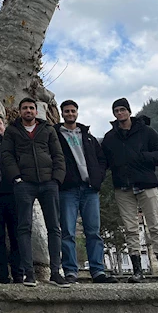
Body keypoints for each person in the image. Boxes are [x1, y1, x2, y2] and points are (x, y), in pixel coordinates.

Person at [103, 98, 158, 284]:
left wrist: (144, 157)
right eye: (116, 110)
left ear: (129, 111)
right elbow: (104, 161)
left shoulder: (146, 132)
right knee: (130, 229)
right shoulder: (110, 137)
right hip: (123, 187)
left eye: (122, 110)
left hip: (146, 184)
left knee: (155, 227)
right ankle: (137, 271)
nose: (119, 113)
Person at [1, 97, 69, 288]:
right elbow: (7, 155)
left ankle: (56, 272)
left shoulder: (47, 130)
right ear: (20, 111)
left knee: (54, 227)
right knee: (24, 228)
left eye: (31, 108)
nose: (28, 111)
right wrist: (16, 178)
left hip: (49, 183)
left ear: (36, 111)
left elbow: (58, 155)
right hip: (24, 184)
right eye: (25, 108)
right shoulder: (12, 131)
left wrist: (57, 179)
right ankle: (28, 273)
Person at [55, 100, 117, 284]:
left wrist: (98, 178)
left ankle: (98, 271)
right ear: (62, 113)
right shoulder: (56, 135)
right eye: (67, 111)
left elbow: (102, 159)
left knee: (93, 231)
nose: (70, 114)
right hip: (68, 190)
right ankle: (70, 271)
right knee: (67, 232)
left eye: (73, 111)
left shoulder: (88, 137)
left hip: (90, 190)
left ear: (77, 112)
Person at [0, 113, 22, 284]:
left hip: (15, 195)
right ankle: (2, 276)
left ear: (4, 124)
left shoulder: (14, 143)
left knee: (17, 236)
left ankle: (18, 274)